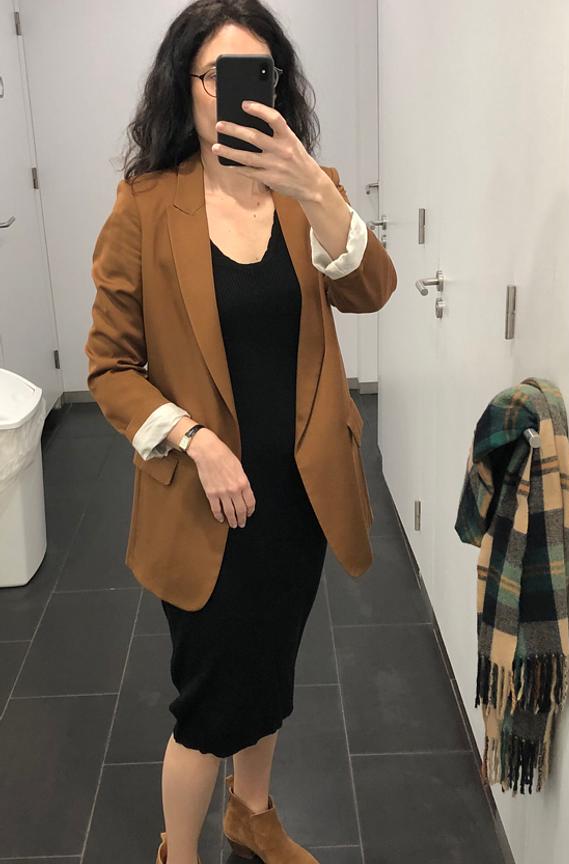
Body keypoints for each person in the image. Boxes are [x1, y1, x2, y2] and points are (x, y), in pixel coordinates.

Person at [84, 2, 397, 862]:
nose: (239, 95)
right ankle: (179, 853)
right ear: (183, 88)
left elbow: (371, 290)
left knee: (270, 671)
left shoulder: (309, 191)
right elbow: (110, 366)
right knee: (208, 705)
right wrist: (195, 439)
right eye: (217, 77)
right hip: (204, 499)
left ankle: (251, 814)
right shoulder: (146, 206)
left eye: (259, 76)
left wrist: (314, 187)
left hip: (299, 495)